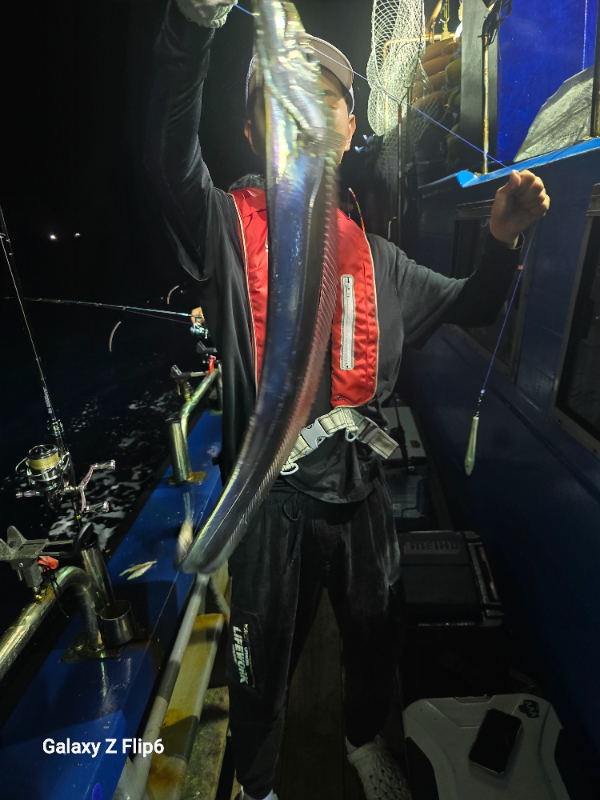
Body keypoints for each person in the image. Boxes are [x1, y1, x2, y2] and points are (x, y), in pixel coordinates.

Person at [144, 2, 550, 799]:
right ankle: (257, 781)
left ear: (349, 125)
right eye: (282, 97)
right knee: (259, 658)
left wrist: (501, 239)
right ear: (255, 131)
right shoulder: (226, 225)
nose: (307, 107)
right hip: (268, 498)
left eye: (326, 96)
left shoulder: (380, 257)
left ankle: (365, 740)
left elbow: (472, 303)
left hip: (361, 488)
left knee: (376, 632)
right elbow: (167, 154)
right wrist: (191, 26)